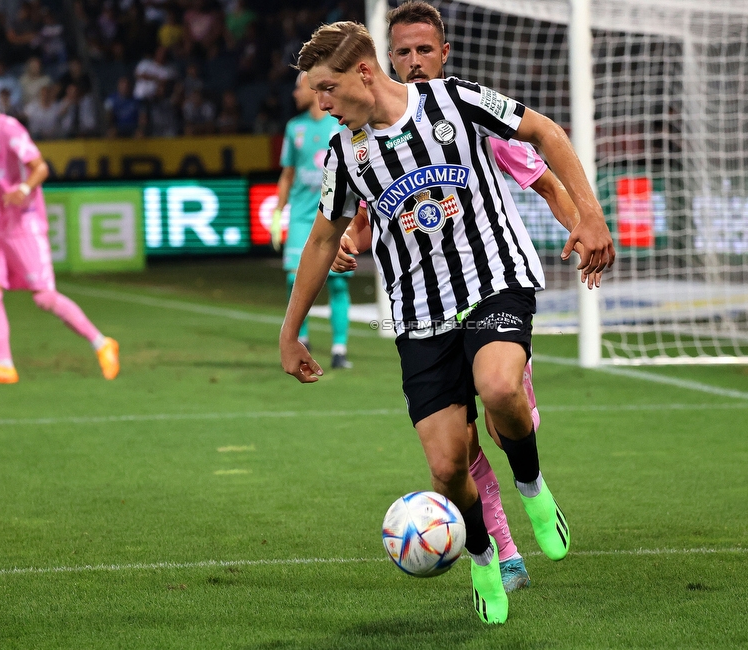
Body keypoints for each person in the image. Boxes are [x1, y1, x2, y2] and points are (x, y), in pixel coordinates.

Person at [280, 22, 614, 625]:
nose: (320, 103)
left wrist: (588, 215)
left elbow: (544, 133)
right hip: (419, 315)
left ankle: (533, 488)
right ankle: (484, 555)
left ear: (361, 72)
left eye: (326, 89)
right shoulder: (344, 154)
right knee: (446, 466)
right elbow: (323, 236)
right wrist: (289, 328)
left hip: (493, 281)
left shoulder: (456, 100)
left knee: (501, 388)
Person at [0, 74, 119, 385]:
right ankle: (4, 365)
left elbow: (40, 167)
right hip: (2, 226)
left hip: (25, 224)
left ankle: (102, 343)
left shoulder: (8, 129)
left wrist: (23, 187)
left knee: (44, 298)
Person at [274, 71, 352, 369]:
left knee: (338, 285)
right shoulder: (295, 128)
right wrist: (279, 212)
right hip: (302, 216)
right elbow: (288, 174)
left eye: (297, 88)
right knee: (295, 278)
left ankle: (339, 349)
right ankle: (301, 339)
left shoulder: (340, 124)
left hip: (334, 217)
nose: (294, 94)